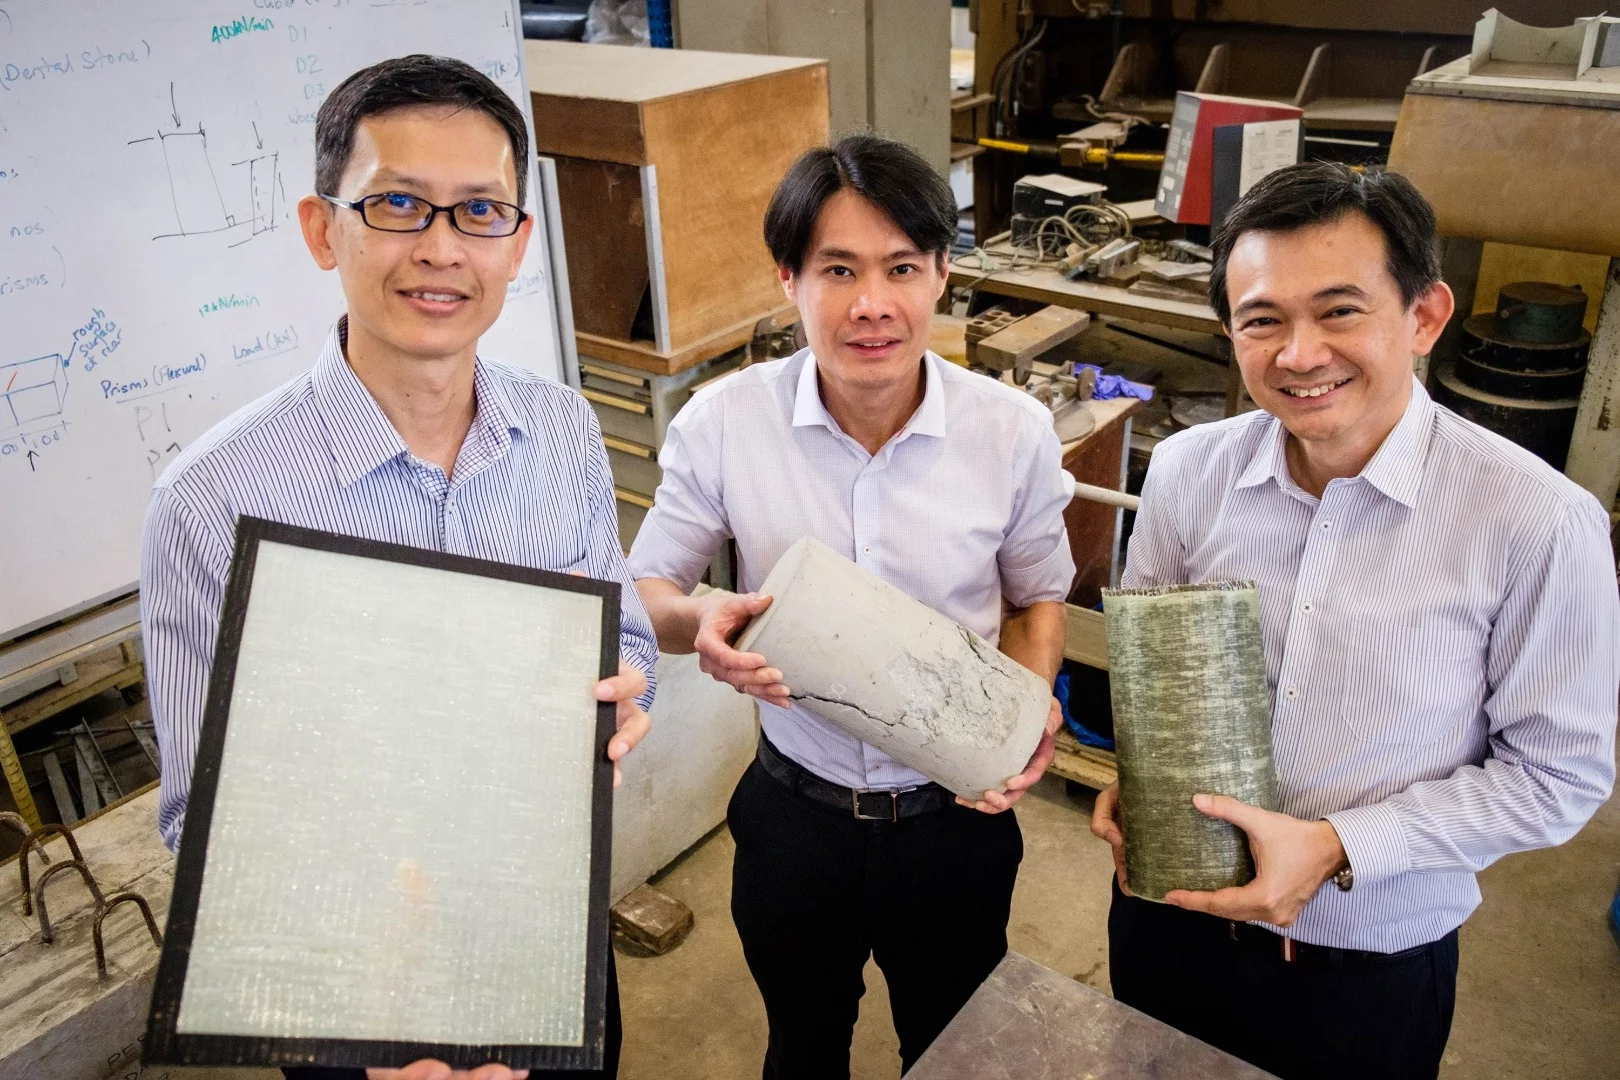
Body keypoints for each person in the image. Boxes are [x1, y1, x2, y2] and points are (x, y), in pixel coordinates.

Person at [139, 56, 658, 1080]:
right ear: (322, 226)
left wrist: (629, 693)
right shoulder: (210, 501)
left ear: (518, 243)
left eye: (478, 212)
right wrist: (370, 1023)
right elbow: (204, 816)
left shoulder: (560, 428)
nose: (438, 249)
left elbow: (624, 631)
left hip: (545, 930)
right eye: (397, 204)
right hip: (348, 980)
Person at [1090, 162, 1619, 1080]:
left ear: (1423, 317)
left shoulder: (1538, 520)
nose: (1298, 354)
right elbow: (1160, 673)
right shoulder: (1184, 471)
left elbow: (1558, 777)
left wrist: (1340, 846)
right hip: (1167, 919)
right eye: (1263, 320)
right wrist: (1138, 783)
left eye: (1339, 310)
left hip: (1363, 966)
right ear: (1230, 331)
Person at [628, 134, 1075, 1078]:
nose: (872, 304)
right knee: (801, 1046)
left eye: (902, 268)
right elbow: (650, 590)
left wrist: (1023, 717)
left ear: (944, 273)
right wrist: (696, 622)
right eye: (838, 269)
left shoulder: (1012, 433)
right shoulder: (724, 424)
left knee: (953, 1051)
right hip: (795, 819)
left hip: (955, 822)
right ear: (788, 280)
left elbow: (1038, 598)